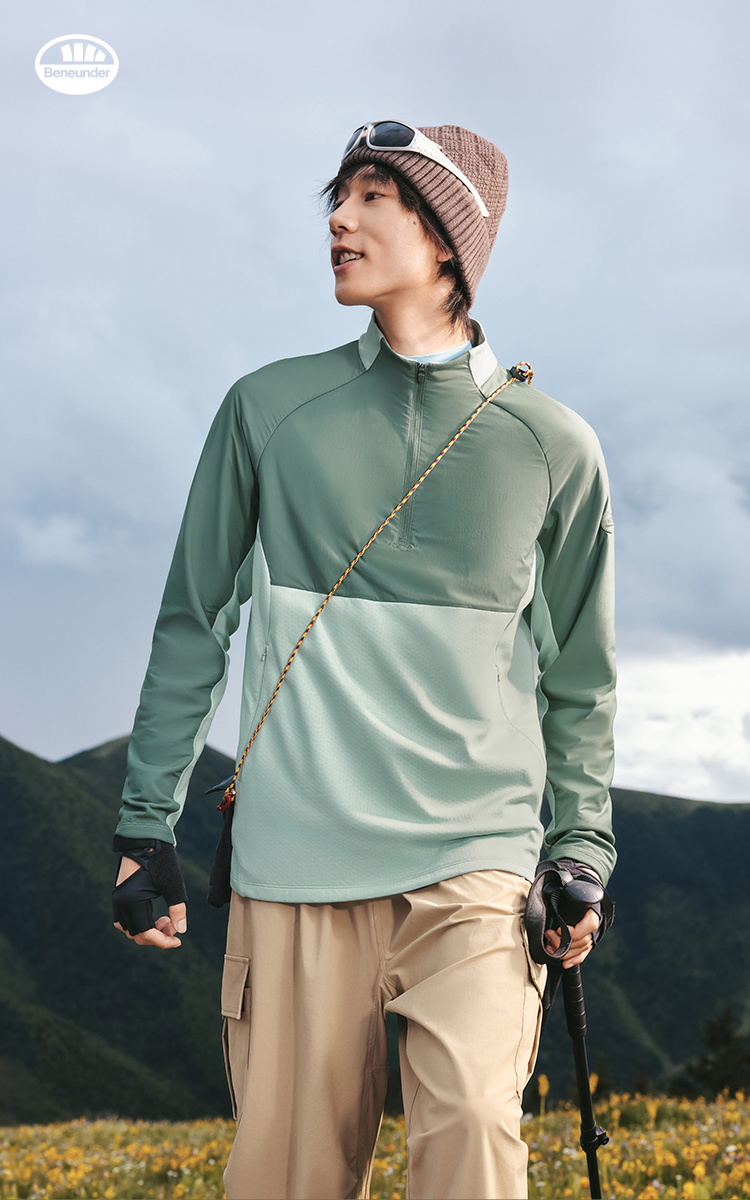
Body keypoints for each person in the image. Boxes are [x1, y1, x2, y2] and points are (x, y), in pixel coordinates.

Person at [111, 122, 616, 1200]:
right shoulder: (268, 409)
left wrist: (581, 845)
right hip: (294, 860)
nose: (338, 219)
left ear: (447, 238)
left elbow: (579, 674)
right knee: (287, 1177)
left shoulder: (552, 445)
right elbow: (194, 622)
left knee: (474, 1131)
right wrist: (145, 823)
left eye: (373, 195)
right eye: (336, 198)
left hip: (477, 858)